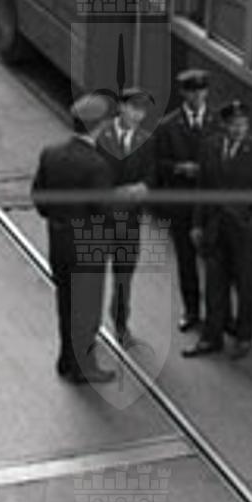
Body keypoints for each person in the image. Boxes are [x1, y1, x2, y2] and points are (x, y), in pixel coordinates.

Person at [32, 92, 119, 383]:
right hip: (88, 247)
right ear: (100, 127)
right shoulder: (97, 165)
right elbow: (104, 211)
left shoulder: (51, 154)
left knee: (66, 303)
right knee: (87, 310)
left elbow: (40, 199)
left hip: (60, 242)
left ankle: (66, 359)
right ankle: (83, 367)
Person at [186, 100, 252, 360]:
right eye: (234, 124)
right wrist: (197, 223)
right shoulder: (210, 147)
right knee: (214, 285)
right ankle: (211, 337)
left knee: (244, 286)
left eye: (243, 124)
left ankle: (244, 336)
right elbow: (202, 189)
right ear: (224, 125)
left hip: (243, 233)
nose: (239, 129)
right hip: (215, 228)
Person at [153, 69, 216, 333]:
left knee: (215, 262)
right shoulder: (167, 126)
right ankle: (191, 311)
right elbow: (157, 165)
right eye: (192, 91)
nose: (197, 96)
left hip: (211, 204)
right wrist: (179, 168)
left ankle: (217, 313)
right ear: (183, 94)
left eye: (201, 91)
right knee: (186, 260)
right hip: (181, 204)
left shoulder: (218, 122)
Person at [95, 87, 155, 347]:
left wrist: (146, 187)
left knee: (123, 277)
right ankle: (88, 326)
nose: (138, 115)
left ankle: (121, 324)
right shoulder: (100, 136)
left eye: (142, 110)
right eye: (133, 108)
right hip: (99, 221)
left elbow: (153, 175)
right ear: (121, 107)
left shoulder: (146, 141)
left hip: (129, 223)